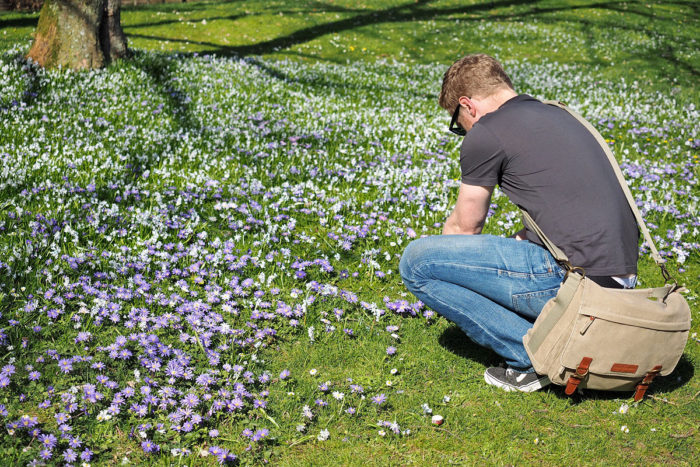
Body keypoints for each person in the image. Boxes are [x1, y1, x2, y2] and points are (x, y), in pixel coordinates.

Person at [399, 54, 639, 392]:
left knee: (418, 262)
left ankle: (530, 358)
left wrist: (450, 274)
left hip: (578, 287)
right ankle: (555, 334)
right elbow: (571, 208)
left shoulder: (486, 132)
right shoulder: (560, 114)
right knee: (514, 246)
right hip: (621, 283)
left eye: (457, 122)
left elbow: (464, 231)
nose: (462, 131)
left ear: (467, 106)